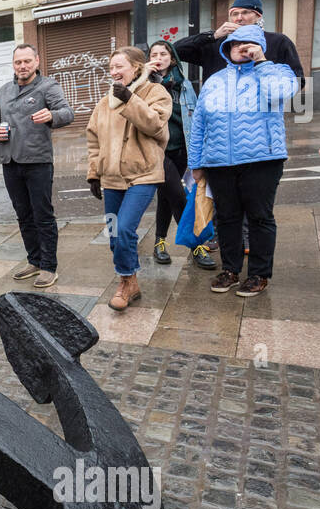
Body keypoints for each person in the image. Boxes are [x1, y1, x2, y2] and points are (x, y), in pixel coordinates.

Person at [188, 24, 299, 297]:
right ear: (227, 48)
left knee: (260, 218)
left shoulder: (277, 71)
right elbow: (199, 124)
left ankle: (260, 274)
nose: (242, 47)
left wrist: (261, 62)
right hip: (218, 162)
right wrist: (196, 163)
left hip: (262, 159)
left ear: (260, 46)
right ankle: (230, 270)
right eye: (236, 44)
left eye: (249, 43)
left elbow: (280, 95)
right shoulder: (214, 80)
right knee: (227, 219)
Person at [88, 48, 172, 311]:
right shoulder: (105, 101)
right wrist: (94, 172)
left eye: (119, 66)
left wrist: (129, 100)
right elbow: (93, 139)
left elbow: (156, 126)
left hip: (143, 175)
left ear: (136, 67)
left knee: (125, 229)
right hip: (111, 177)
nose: (114, 72)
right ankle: (131, 281)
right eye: (111, 67)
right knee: (114, 234)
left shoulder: (156, 93)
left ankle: (123, 284)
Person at [0, 43, 74, 288]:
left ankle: (49, 266)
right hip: (10, 161)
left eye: (27, 61)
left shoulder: (48, 86)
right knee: (23, 215)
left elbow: (67, 113)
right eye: (18, 62)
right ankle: (34, 260)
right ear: (13, 65)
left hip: (38, 161)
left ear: (36, 61)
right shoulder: (4, 90)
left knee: (43, 215)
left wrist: (52, 116)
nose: (22, 66)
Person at [147, 41, 215, 271]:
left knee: (166, 197)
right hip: (157, 151)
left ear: (172, 59)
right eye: (153, 54)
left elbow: (196, 122)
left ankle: (159, 243)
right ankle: (196, 245)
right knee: (179, 198)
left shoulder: (184, 86)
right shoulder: (145, 84)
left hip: (182, 149)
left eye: (163, 54)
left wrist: (199, 154)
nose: (158, 57)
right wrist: (144, 75)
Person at [174, 0, 305, 81]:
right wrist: (212, 35)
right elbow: (176, 50)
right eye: (234, 14)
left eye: (245, 12)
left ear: (258, 16)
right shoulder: (216, 43)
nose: (239, 18)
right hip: (220, 116)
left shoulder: (278, 41)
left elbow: (298, 79)